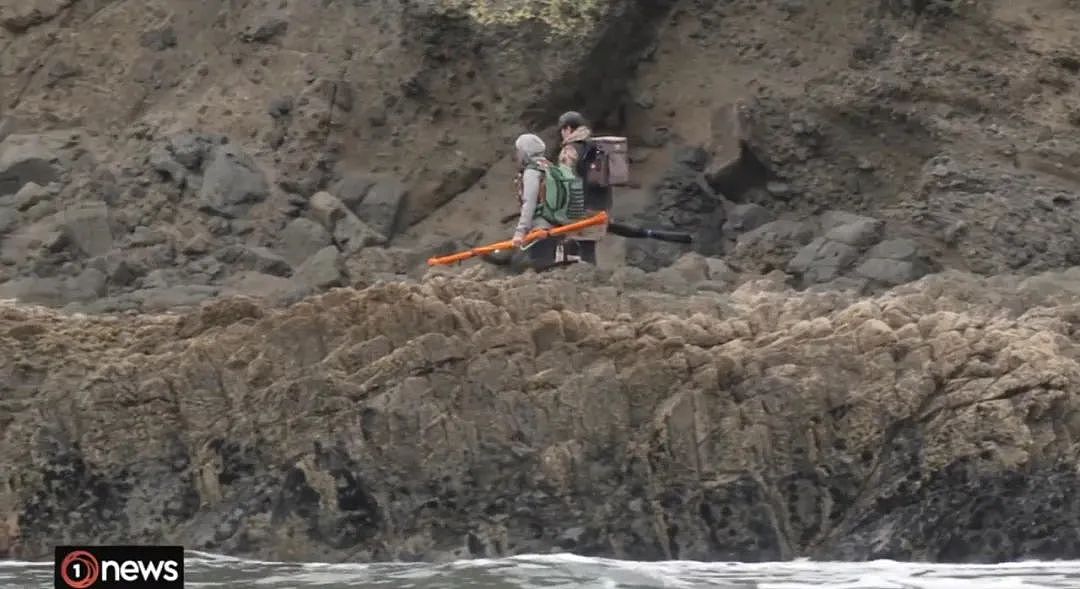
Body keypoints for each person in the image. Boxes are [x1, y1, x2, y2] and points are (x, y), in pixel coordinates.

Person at [510, 133, 586, 272]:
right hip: (556, 222)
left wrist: (520, 233)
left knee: (540, 265)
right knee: (547, 264)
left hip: (540, 227)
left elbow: (529, 203)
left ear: (525, 152)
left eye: (518, 150)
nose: (517, 154)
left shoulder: (532, 172)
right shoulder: (549, 166)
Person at [556, 111, 612, 265]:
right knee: (588, 246)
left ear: (568, 128)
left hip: (580, 207)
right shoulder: (597, 146)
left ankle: (580, 283)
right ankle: (591, 281)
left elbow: (565, 180)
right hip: (602, 205)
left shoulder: (571, 149)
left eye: (562, 129)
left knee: (574, 245)